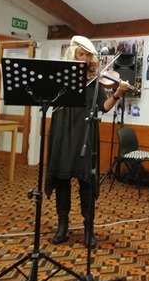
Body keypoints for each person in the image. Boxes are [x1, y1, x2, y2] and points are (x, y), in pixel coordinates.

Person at [46, 36, 130, 249]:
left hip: (85, 132)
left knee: (86, 181)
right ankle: (62, 225)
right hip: (63, 131)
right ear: (72, 54)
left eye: (87, 56)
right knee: (62, 178)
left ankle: (88, 228)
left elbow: (103, 106)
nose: (84, 59)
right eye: (80, 54)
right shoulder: (60, 78)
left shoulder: (95, 80)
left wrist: (118, 93)